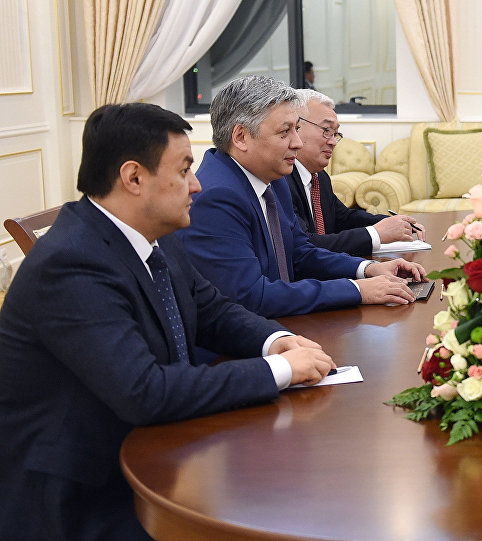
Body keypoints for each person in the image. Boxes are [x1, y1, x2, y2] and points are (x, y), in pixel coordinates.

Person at [0, 103, 338, 540]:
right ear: (134, 178)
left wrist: (277, 340)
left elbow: (211, 309)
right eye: (183, 170)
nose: (196, 185)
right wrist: (279, 370)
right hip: (81, 493)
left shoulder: (155, 233)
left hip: (156, 448)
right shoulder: (70, 264)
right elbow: (145, 391)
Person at [178, 76, 425, 318]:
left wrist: (369, 269)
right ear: (241, 137)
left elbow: (299, 252)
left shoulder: (273, 179)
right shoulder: (216, 198)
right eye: (285, 132)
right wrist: (357, 290)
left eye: (296, 129)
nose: (297, 143)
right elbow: (252, 297)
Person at [289, 88, 426, 256]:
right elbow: (306, 244)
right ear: (296, 127)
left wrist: (392, 223)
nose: (333, 142)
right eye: (326, 130)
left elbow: (343, 218)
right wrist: (376, 233)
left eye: (335, 134)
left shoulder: (319, 177)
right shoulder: (280, 181)